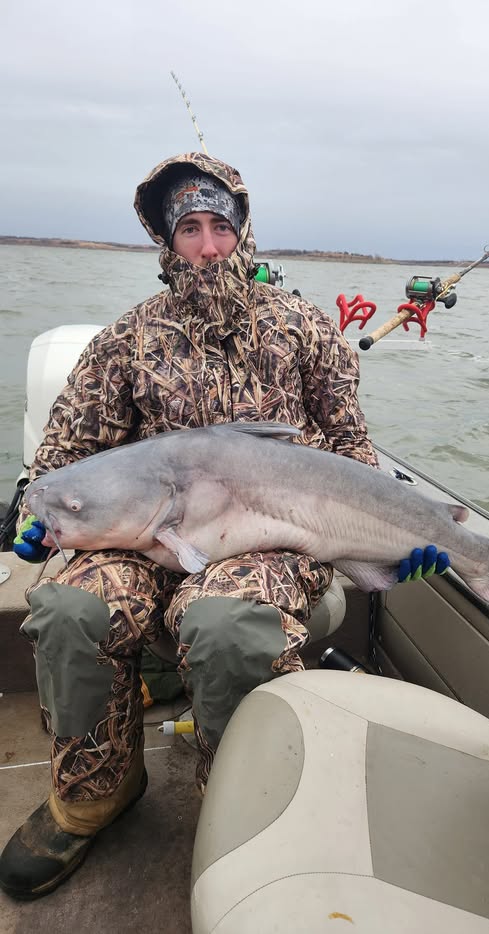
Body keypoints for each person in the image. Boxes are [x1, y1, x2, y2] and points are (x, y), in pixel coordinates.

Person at [0, 152, 449, 900]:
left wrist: (398, 534)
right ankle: (94, 791)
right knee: (70, 609)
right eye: (190, 229)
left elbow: (351, 452)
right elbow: (65, 459)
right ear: (166, 238)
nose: (207, 246)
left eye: (220, 226)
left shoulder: (304, 328)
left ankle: (242, 801)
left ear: (242, 230)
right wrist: (32, 512)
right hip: (147, 533)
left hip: (272, 536)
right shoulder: (126, 340)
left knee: (225, 624)